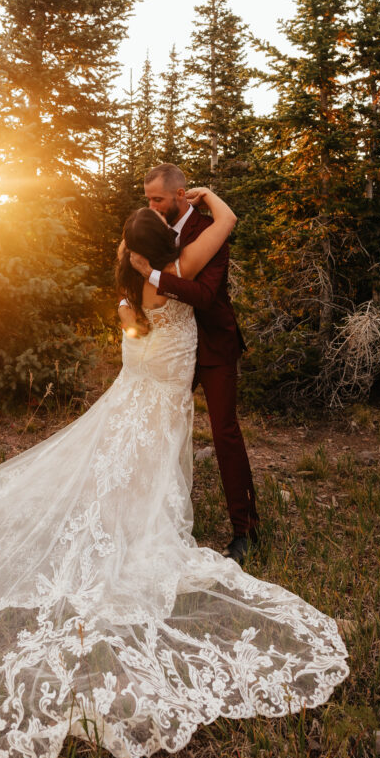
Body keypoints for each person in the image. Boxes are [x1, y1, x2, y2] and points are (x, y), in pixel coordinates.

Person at [0, 191, 348, 758]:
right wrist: (204, 199)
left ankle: (119, 515)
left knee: (128, 457)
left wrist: (132, 313)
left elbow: (136, 335)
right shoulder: (177, 271)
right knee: (145, 461)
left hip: (142, 389)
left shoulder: (137, 288)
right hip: (161, 396)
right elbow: (225, 227)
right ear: (160, 245)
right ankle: (132, 524)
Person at [129, 163, 258, 564]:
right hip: (173, 347)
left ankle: (246, 530)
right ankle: (151, 514)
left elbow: (203, 295)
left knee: (224, 432)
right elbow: (129, 279)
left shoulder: (208, 230)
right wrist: (128, 303)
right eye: (147, 198)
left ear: (180, 195)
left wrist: (152, 276)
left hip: (214, 346)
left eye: (158, 199)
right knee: (155, 424)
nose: (150, 206)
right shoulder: (151, 227)